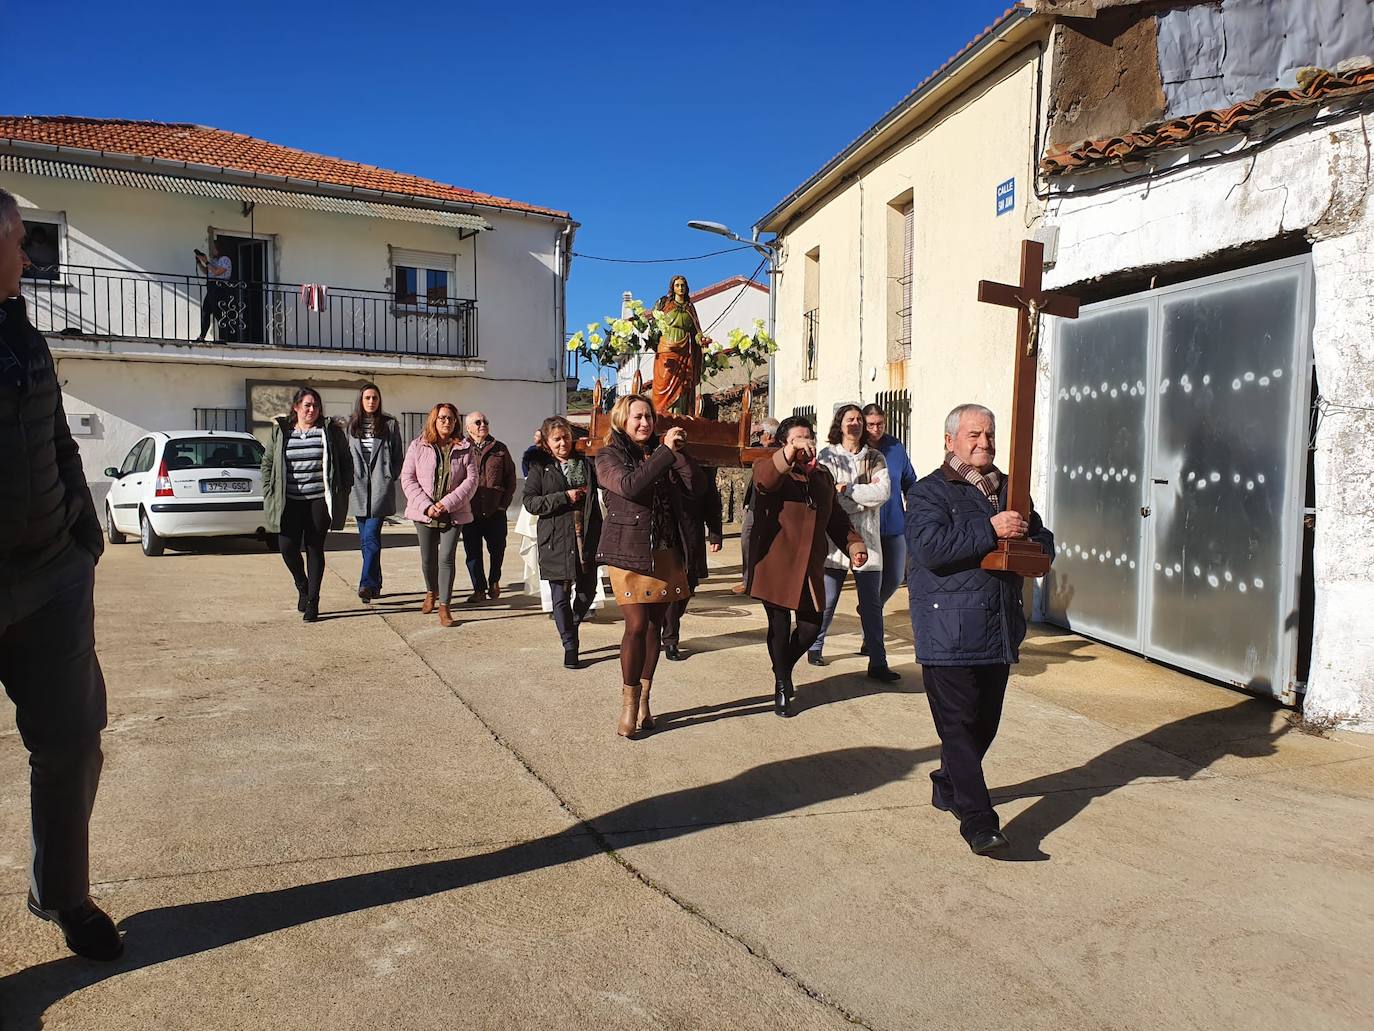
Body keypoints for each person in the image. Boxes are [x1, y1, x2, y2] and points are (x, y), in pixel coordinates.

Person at [0, 188, 122, 960]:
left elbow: (55, 435)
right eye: (21, 241)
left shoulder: (25, 332)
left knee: (74, 741)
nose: (30, 257)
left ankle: (64, 895)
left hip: (51, 573)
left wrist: (83, 529)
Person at [908, 403, 1053, 855]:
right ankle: (978, 820)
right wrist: (990, 528)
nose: (983, 443)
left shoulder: (1012, 489)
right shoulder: (929, 491)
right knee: (957, 726)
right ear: (950, 440)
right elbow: (931, 549)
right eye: (973, 435)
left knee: (983, 726)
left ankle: (947, 783)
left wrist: (1035, 550)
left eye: (988, 435)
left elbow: (1043, 537)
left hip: (999, 626)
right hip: (947, 627)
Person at [747, 415, 866, 717]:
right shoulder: (768, 465)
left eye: (808, 437)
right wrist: (788, 455)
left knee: (811, 628)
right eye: (796, 439)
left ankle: (782, 668)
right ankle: (782, 682)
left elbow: (835, 517)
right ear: (783, 443)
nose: (804, 443)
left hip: (810, 565)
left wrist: (853, 543)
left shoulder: (822, 475)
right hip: (776, 562)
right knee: (779, 625)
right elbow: (765, 481)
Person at [595, 394, 696, 739]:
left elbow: (694, 489)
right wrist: (665, 454)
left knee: (656, 627)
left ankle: (645, 701)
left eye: (649, 417)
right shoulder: (608, 456)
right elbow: (629, 486)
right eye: (637, 417)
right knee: (636, 625)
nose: (645, 423)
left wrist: (679, 454)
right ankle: (628, 704)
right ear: (622, 420)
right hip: (627, 551)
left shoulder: (663, 453)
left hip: (664, 550)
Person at [810, 404, 899, 681]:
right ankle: (815, 645)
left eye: (860, 419)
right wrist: (860, 501)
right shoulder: (827, 457)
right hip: (835, 536)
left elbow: (882, 492)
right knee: (829, 598)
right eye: (850, 419)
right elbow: (826, 495)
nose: (856, 424)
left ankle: (878, 662)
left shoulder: (875, 457)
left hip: (868, 539)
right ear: (840, 423)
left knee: (871, 604)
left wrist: (848, 489)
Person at [261, 387, 352, 622]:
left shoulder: (329, 431)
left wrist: (344, 488)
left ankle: (313, 600)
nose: (312, 410)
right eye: (307, 405)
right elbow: (268, 462)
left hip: (318, 501)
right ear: (296, 407)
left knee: (314, 548)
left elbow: (345, 461)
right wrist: (268, 490)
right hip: (289, 501)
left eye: (316, 406)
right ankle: (302, 584)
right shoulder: (281, 431)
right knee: (287, 548)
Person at [523, 416, 603, 668]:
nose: (562, 443)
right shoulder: (540, 467)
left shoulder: (586, 463)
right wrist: (563, 497)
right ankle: (570, 645)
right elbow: (531, 502)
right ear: (547, 443)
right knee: (559, 597)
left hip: (586, 536)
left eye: (565, 437)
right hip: (555, 538)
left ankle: (572, 622)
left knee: (587, 590)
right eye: (556, 439)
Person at [402, 403, 477, 627]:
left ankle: (445, 606)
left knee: (446, 558)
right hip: (423, 512)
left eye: (451, 419)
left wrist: (446, 503)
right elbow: (407, 478)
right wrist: (427, 506)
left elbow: (471, 481)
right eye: (442, 418)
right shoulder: (418, 446)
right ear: (434, 420)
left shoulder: (465, 447)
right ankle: (431, 591)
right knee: (428, 559)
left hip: (453, 512)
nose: (447, 422)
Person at [347, 382, 404, 602]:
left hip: (381, 487)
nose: (371, 401)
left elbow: (399, 454)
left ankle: (366, 584)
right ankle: (376, 582)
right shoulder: (350, 426)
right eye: (368, 398)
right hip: (358, 488)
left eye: (375, 398)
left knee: (371, 536)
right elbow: (345, 454)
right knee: (366, 540)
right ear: (361, 401)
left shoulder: (389, 424)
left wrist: (391, 475)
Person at [661, 467, 722, 661]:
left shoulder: (702, 465)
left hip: (691, 531)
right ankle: (670, 639)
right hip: (664, 531)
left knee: (688, 586)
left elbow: (712, 500)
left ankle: (667, 628)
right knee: (671, 589)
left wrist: (715, 533)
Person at [862, 403, 918, 614]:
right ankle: (870, 635)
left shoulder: (896, 447)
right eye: (871, 425)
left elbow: (909, 480)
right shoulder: (858, 450)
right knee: (871, 584)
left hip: (895, 525)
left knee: (895, 578)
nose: (876, 429)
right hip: (866, 527)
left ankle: (871, 609)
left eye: (880, 424)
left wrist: (913, 505)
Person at [462, 411, 517, 603]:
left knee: (497, 549)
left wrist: (503, 505)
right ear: (468, 427)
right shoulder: (461, 448)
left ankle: (494, 580)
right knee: (473, 552)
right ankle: (478, 589)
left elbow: (510, 478)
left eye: (485, 421)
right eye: (477, 422)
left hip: (495, 510)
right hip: (469, 511)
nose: (482, 424)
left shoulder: (500, 448)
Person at [733, 417, 778, 595]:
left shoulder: (775, 451)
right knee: (748, 540)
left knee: (756, 541)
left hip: (768, 505)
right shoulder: (758, 449)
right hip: (753, 504)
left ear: (767, 435)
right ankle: (749, 580)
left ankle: (754, 582)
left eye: (760, 433)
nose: (757, 436)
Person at [651, 274, 707, 416]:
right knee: (664, 383)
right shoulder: (664, 304)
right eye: (677, 285)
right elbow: (654, 327)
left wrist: (701, 340)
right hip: (666, 350)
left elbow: (696, 331)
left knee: (683, 387)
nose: (680, 288)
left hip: (684, 351)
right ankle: (663, 416)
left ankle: (680, 417)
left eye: (683, 285)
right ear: (672, 287)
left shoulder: (690, 307)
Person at [193, 241, 234, 342]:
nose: (213, 250)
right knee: (206, 312)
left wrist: (206, 261)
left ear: (220, 248)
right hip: (211, 288)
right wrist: (199, 262)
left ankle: (222, 338)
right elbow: (207, 271)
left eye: (214, 248)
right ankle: (202, 336)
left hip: (220, 288)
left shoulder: (225, 259)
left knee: (218, 313)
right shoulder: (214, 260)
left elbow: (217, 272)